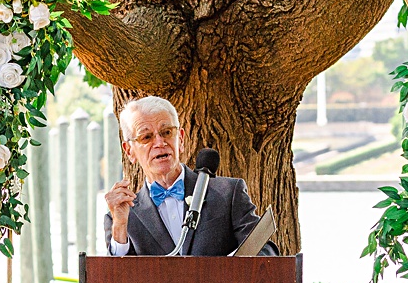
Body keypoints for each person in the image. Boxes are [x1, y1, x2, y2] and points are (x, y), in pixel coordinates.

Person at [101, 95, 278, 256]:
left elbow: (265, 251)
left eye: (166, 132)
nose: (160, 143)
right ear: (129, 151)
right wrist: (119, 228)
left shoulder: (228, 193)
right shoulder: (121, 217)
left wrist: (230, 270)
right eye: (146, 137)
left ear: (181, 139)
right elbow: (119, 281)